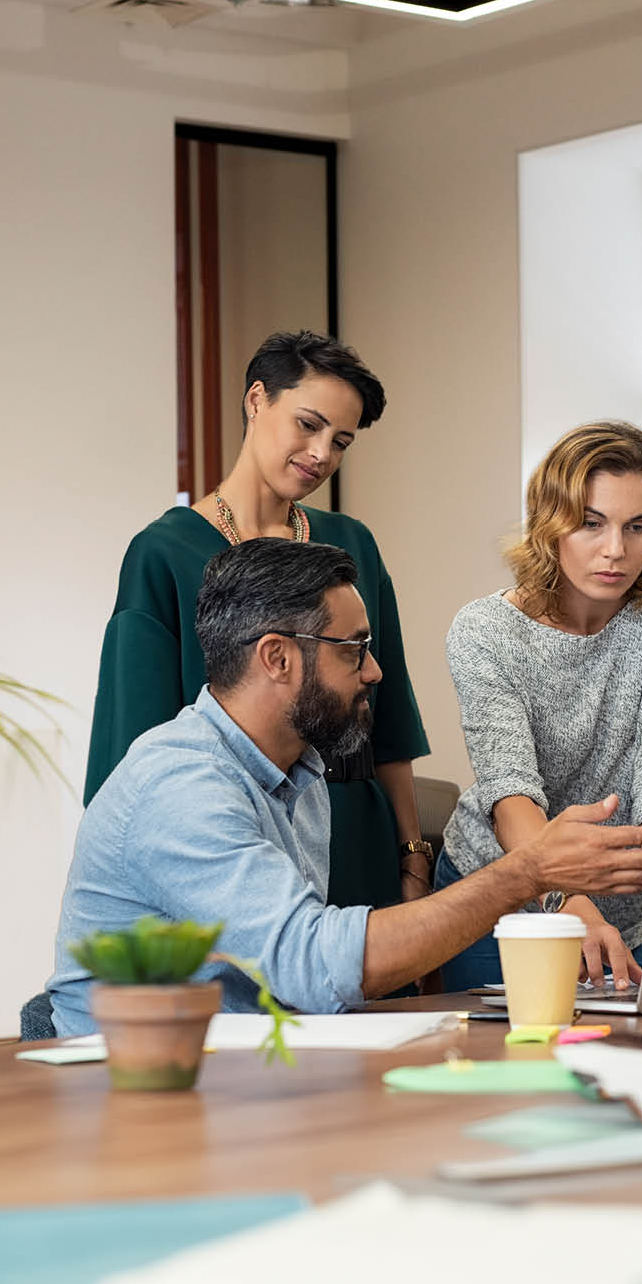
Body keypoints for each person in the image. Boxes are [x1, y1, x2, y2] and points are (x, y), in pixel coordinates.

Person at [47, 540, 642, 1038]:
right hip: (134, 1090)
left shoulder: (300, 771)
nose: (374, 671)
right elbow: (312, 964)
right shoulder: (180, 783)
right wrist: (526, 871)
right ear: (277, 657)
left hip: (251, 1069)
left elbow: (298, 979)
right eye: (355, 649)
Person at [83, 330, 432, 912]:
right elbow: (132, 746)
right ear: (256, 400)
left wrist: (412, 854)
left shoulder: (353, 547)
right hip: (228, 843)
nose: (322, 453)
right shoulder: (164, 553)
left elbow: (386, 717)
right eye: (308, 424)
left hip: (356, 839)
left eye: (341, 440)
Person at [435, 420, 642, 992]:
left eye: (638, 526)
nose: (616, 550)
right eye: (591, 524)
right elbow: (511, 796)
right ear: (551, 523)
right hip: (504, 896)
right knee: (510, 1070)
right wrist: (571, 903)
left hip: (624, 905)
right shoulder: (485, 631)